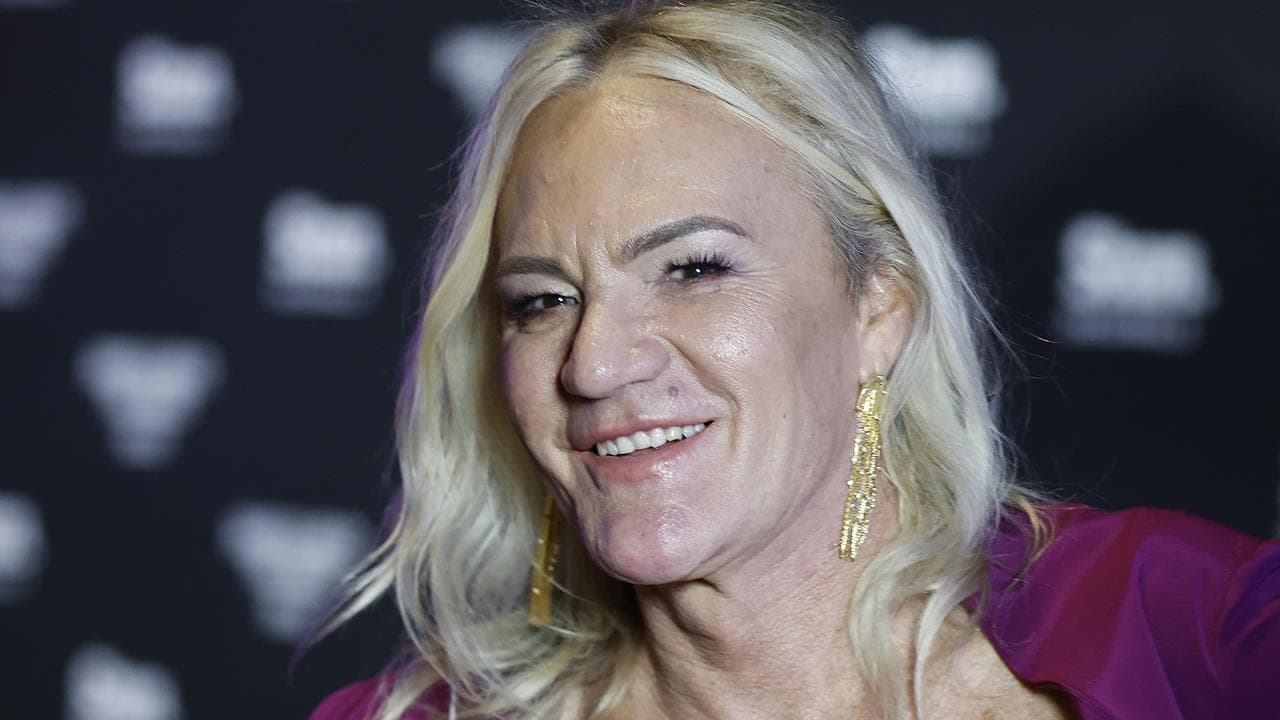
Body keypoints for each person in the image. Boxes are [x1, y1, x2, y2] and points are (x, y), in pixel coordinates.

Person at [309, 1, 1280, 718]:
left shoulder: (1189, 634)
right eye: (541, 301)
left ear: (878, 305)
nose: (594, 365)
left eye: (692, 268)